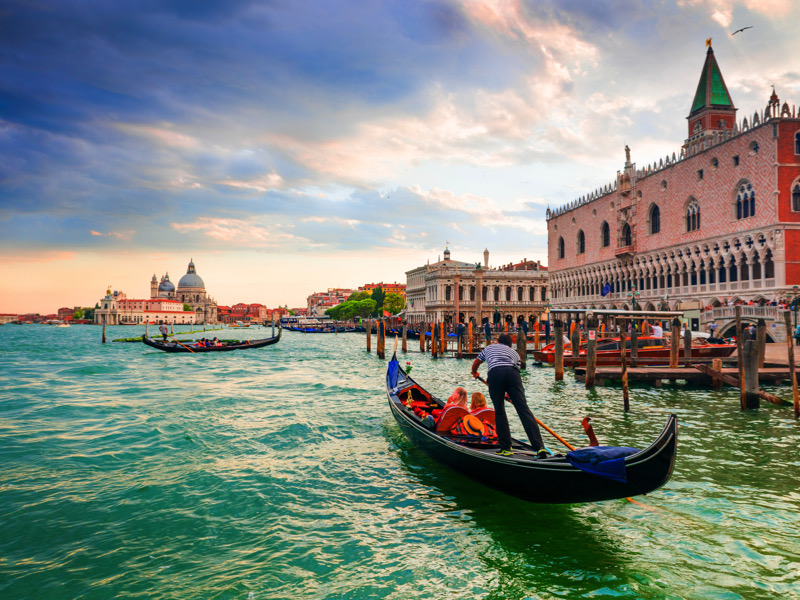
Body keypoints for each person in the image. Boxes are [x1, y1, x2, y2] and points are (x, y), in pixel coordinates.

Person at [471, 333, 547, 458]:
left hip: (495, 373)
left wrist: (474, 372)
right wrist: (510, 393)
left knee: (500, 411)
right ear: (510, 344)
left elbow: (477, 361)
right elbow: (514, 372)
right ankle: (540, 448)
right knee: (524, 410)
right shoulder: (514, 353)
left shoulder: (489, 348)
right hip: (513, 374)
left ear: (497, 341)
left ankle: (506, 448)